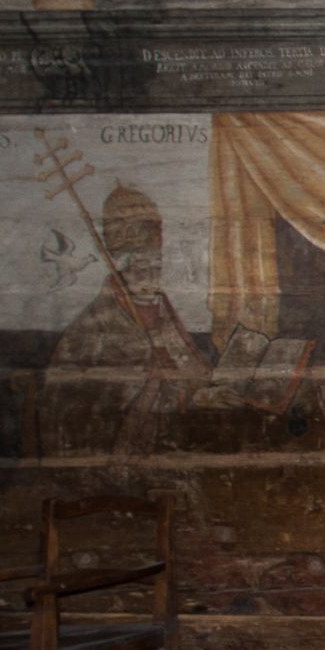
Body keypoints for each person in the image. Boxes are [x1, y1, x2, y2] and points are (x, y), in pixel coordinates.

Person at [45, 184, 211, 455]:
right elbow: (67, 396)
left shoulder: (162, 311)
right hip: (112, 443)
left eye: (156, 263)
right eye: (141, 265)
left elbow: (189, 368)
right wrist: (151, 382)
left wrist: (205, 391)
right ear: (123, 267)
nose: (151, 273)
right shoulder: (94, 324)